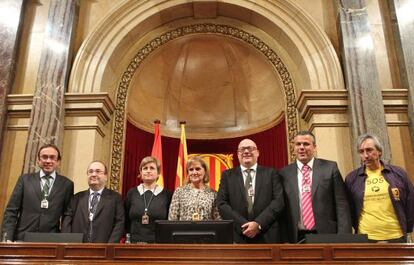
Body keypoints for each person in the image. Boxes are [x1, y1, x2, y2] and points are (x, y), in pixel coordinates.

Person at [279, 131, 352, 243]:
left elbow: (341, 204)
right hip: (295, 237)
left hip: (326, 235)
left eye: (306, 144)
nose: (302, 147)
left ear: (314, 147)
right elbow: (281, 209)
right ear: (293, 148)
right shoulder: (284, 173)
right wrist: (283, 240)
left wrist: (344, 237)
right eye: (298, 144)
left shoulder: (330, 168)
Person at [345, 133, 414, 243]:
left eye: (369, 150)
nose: (366, 155)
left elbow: (410, 202)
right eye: (361, 152)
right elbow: (350, 209)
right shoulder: (352, 178)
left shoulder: (398, 173)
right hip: (366, 237)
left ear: (379, 151)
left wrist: (408, 229)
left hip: (396, 236)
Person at [1, 144, 74, 242]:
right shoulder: (25, 180)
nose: (48, 161)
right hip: (22, 239)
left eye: (52, 157)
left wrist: (65, 240)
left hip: (51, 242)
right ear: (38, 160)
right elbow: (11, 211)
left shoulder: (67, 184)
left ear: (58, 161)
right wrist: (7, 238)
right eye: (44, 157)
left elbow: (67, 215)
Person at [217, 139, 284, 243]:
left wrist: (258, 223)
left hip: (267, 234)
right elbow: (222, 204)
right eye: (242, 149)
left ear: (257, 153)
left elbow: (278, 202)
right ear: (238, 154)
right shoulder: (227, 175)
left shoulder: (271, 173)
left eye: (250, 148)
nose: (246, 151)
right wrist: (243, 225)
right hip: (238, 236)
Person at [62, 161, 124, 243]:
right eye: (90, 172)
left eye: (98, 171)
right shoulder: (77, 198)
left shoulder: (115, 198)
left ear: (106, 176)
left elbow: (119, 224)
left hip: (104, 249)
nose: (93, 174)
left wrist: (110, 246)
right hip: (77, 248)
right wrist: (68, 243)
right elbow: (67, 222)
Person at [124, 156, 172, 243]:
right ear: (141, 173)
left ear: (158, 173)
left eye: (152, 168)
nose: (148, 171)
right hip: (133, 244)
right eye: (145, 168)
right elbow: (126, 219)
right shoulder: (132, 193)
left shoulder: (167, 195)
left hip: (158, 244)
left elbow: (169, 221)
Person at [168, 156, 221, 221]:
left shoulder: (213, 194)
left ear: (205, 171)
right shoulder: (179, 192)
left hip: (206, 231)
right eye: (191, 170)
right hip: (183, 231)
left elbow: (218, 220)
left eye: (198, 169)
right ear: (188, 173)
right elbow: (172, 218)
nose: (194, 172)